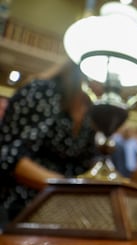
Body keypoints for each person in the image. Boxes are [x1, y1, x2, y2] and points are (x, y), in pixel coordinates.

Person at [0, 60, 99, 228]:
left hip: (63, 213)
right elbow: (10, 157)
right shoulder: (42, 91)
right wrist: (68, 189)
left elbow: (85, 166)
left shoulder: (90, 110)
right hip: (19, 209)